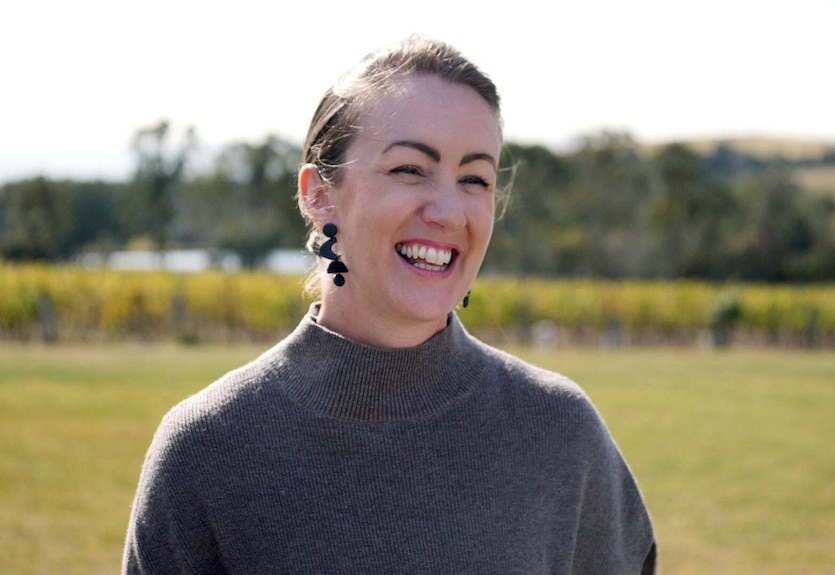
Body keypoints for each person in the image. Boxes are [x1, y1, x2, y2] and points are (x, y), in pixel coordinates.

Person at [122, 35, 656, 574]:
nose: (448, 212)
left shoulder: (560, 434)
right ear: (319, 195)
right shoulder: (209, 450)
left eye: (475, 179)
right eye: (409, 169)